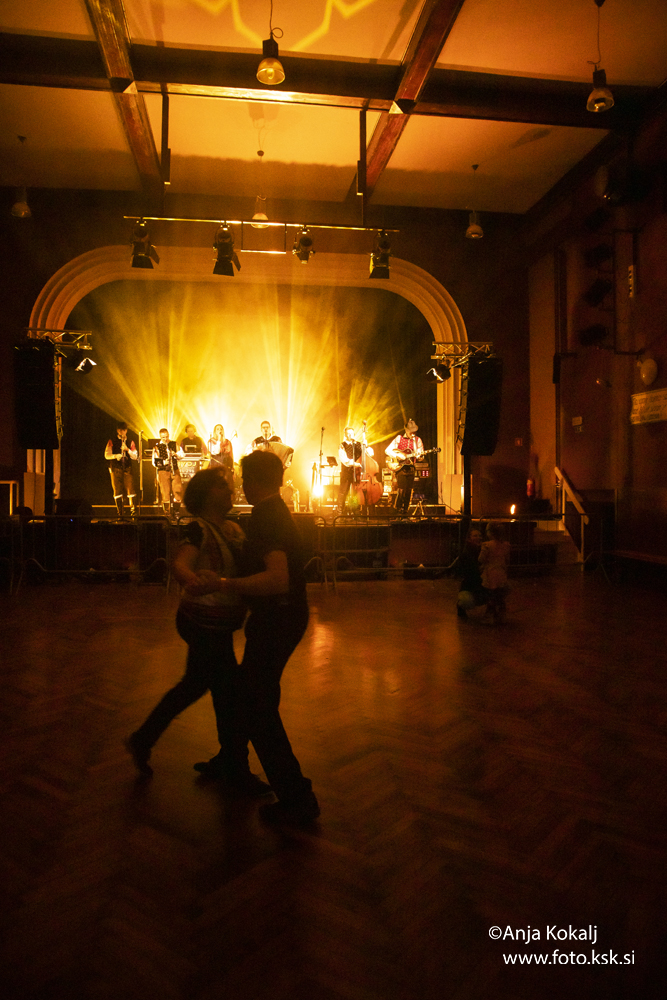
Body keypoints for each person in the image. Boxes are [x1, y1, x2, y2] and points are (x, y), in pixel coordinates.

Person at [125, 468, 269, 795]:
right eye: (222, 486)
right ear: (205, 495)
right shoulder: (198, 528)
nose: (230, 489)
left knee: (200, 686)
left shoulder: (231, 528)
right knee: (226, 691)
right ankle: (234, 766)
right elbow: (180, 563)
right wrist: (194, 581)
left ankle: (146, 740)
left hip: (215, 623)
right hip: (204, 623)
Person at [195, 449, 319, 826]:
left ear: (250, 482)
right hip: (283, 617)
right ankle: (232, 762)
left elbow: (277, 579)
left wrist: (222, 584)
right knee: (251, 695)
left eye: (241, 480)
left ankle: (297, 799)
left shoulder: (267, 517)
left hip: (277, 619)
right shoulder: (274, 512)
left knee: (258, 707)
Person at [385, 418, 424, 515]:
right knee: (401, 489)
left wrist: (420, 456)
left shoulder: (418, 440)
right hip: (400, 467)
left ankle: (405, 511)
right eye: (411, 431)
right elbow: (387, 450)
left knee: (409, 490)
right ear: (406, 430)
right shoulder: (399, 438)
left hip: (411, 467)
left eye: (414, 431)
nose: (413, 433)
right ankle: (398, 509)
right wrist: (397, 456)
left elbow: (420, 457)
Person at [479, 521, 511, 624]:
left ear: (490, 533)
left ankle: (490, 615)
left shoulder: (487, 545)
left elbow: (481, 559)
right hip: (501, 572)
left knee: (490, 595)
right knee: (499, 595)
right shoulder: (506, 545)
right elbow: (507, 559)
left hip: (490, 573)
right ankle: (501, 615)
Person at [104, 421, 138, 518]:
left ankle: (133, 513)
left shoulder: (130, 441)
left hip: (127, 468)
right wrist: (115, 456)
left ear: (126, 430)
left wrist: (128, 450)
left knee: (131, 489)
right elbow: (106, 455)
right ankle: (121, 514)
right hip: (116, 468)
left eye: (123, 430)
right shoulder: (112, 441)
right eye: (119, 430)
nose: (121, 432)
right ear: (117, 430)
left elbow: (135, 456)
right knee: (117, 490)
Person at [454, 526, 486, 620]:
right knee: (467, 601)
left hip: (483, 583)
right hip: (471, 586)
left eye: (479, 535)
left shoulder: (484, 551)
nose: (478, 538)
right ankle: (462, 604)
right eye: (475, 536)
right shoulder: (466, 554)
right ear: (468, 539)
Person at [152, 427, 184, 514]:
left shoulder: (174, 444)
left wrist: (176, 454)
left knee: (178, 491)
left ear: (168, 435)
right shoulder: (157, 447)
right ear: (160, 437)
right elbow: (154, 462)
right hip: (163, 471)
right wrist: (164, 462)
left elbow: (182, 454)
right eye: (163, 437)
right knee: (165, 493)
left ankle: (176, 512)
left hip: (174, 470)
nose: (165, 439)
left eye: (166, 437)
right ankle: (167, 513)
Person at [337, 425, 362, 514]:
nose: (350, 435)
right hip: (346, 472)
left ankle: (355, 511)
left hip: (357, 472)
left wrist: (366, 446)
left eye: (351, 433)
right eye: (348, 433)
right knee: (343, 492)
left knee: (355, 492)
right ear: (345, 435)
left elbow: (370, 453)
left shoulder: (358, 444)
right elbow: (344, 459)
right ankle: (340, 512)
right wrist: (354, 464)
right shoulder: (342, 445)